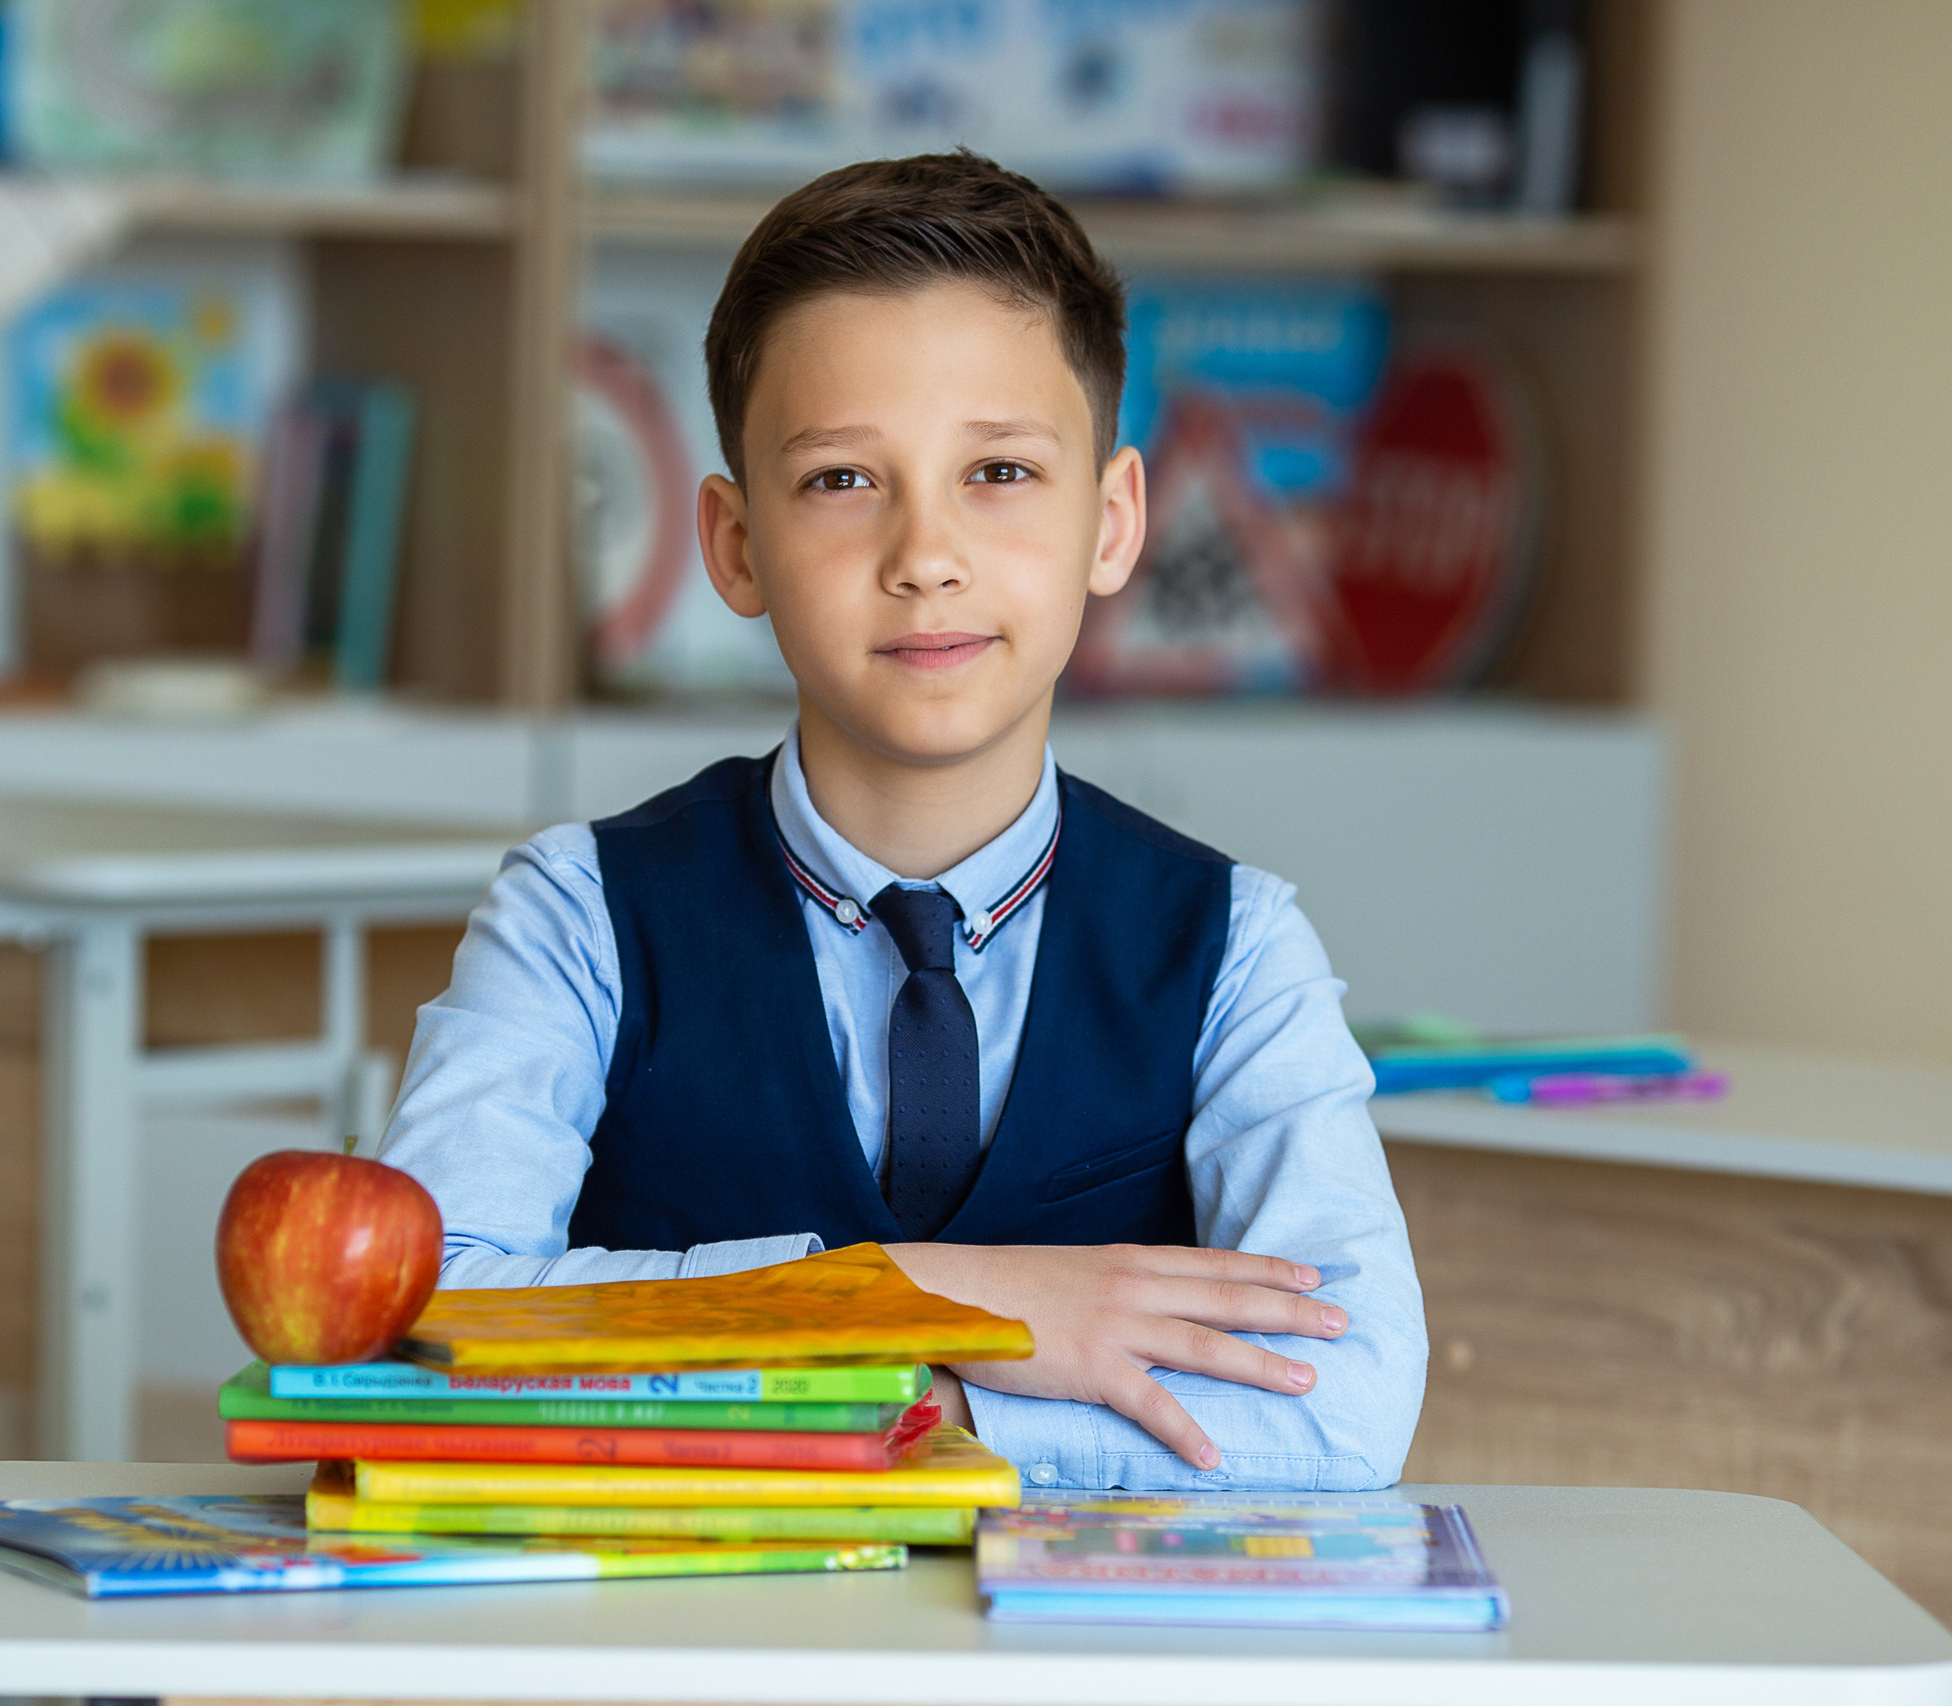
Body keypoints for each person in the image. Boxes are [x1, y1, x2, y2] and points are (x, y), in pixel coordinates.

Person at [380, 152, 1426, 1493]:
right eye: (840, 480)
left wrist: (929, 1416)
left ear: (1112, 524)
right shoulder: (578, 912)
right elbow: (439, 1308)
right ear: (735, 541)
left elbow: (1348, 1396)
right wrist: (919, 1294)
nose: (925, 553)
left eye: (997, 470)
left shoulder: (1234, 944)